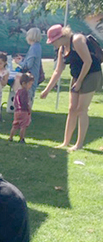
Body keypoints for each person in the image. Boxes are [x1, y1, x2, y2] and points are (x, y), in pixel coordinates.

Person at [40, 24, 102, 152]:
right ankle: (66, 142)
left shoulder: (77, 40)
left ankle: (79, 144)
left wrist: (79, 82)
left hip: (91, 74)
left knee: (81, 109)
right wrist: (47, 90)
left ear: (61, 36)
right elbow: (58, 71)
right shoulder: (62, 48)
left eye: (53, 41)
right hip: (76, 76)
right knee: (71, 109)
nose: (52, 44)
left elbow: (88, 61)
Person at [13, 27, 43, 105]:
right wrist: (23, 60)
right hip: (34, 76)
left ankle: (25, 115)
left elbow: (29, 65)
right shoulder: (38, 46)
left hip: (30, 77)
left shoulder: (34, 48)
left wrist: (20, 62)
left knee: (27, 99)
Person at [9, 73, 34, 143]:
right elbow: (25, 102)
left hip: (17, 111)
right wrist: (29, 109)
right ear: (24, 83)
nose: (30, 86)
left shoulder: (18, 91)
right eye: (29, 84)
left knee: (15, 125)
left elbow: (15, 101)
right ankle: (21, 138)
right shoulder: (25, 92)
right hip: (24, 111)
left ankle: (11, 137)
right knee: (23, 126)